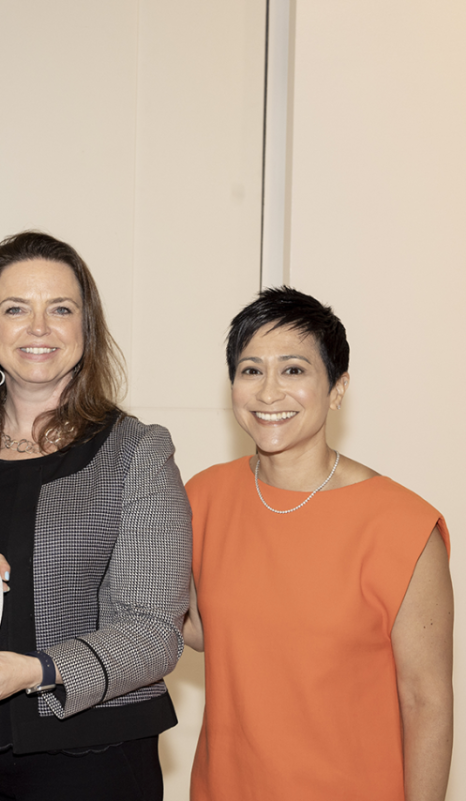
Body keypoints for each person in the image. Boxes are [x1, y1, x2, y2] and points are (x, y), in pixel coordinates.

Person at [0, 231, 191, 800]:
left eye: (60, 309)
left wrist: (39, 670)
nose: (38, 327)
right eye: (16, 309)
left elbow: (155, 632)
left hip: (97, 755)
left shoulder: (136, 452)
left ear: (85, 329)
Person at [185, 287, 452, 800]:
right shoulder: (204, 496)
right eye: (250, 370)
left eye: (293, 370)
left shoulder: (402, 526)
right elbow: (196, 628)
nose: (268, 393)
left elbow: (427, 703)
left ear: (337, 388)